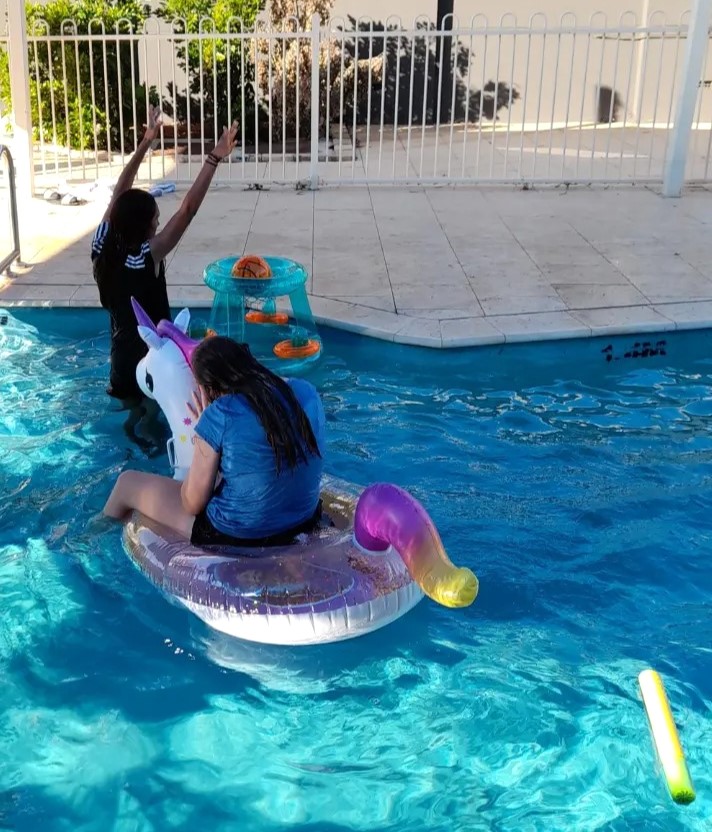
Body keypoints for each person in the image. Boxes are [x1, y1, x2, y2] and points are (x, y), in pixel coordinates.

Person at [103, 337, 326, 548]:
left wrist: (203, 433)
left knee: (127, 483)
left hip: (238, 535)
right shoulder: (307, 392)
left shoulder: (221, 413)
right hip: (305, 519)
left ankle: (95, 537)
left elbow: (192, 503)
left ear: (209, 389)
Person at [91, 106, 239, 402]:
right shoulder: (148, 256)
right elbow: (188, 210)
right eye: (155, 219)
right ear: (144, 227)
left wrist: (147, 141)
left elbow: (120, 192)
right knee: (155, 426)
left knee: (132, 422)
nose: (159, 222)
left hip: (120, 362)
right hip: (155, 363)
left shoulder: (101, 244)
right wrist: (214, 157)